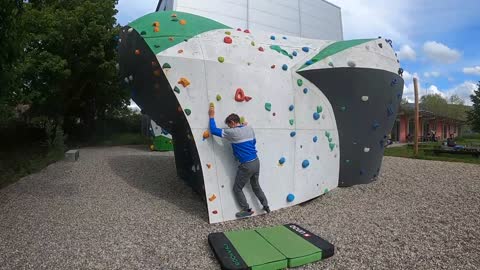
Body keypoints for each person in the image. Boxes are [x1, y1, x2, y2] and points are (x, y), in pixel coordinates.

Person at [208, 104, 270, 218]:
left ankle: (246, 209)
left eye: (229, 125)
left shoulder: (232, 132)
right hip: (256, 161)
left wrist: (211, 116)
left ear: (232, 122)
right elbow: (254, 142)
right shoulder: (249, 128)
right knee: (256, 185)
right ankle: (266, 205)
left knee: (237, 188)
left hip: (246, 165)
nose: (229, 128)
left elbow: (213, 130)